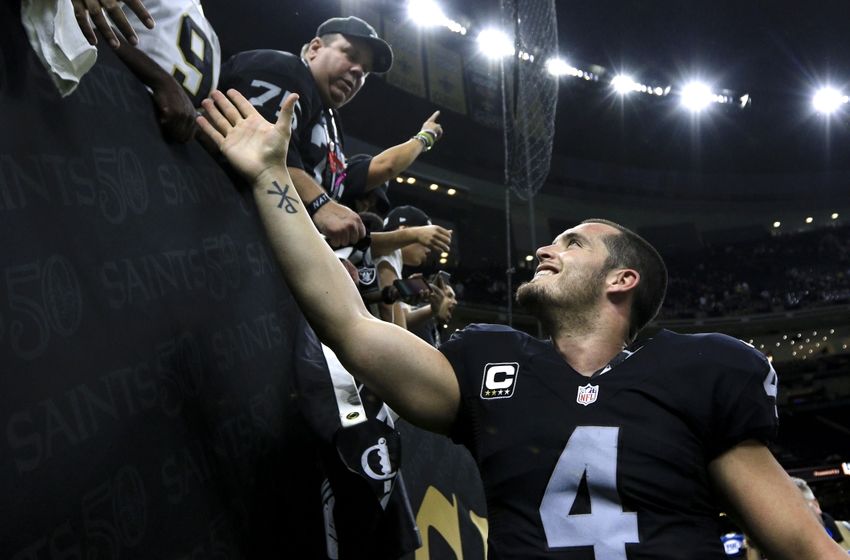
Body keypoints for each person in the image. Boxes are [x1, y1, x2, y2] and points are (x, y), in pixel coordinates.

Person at [196, 89, 849, 559]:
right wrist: (269, 180)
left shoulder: (699, 371)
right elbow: (349, 324)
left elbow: (802, 546)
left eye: (572, 243)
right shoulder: (488, 365)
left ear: (622, 280)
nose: (545, 249)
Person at [218, 16, 400, 248]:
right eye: (350, 55)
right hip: (223, 232)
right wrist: (320, 203)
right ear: (315, 48)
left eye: (365, 71)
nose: (357, 72)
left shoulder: (331, 120)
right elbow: (258, 151)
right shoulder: (284, 70)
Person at [111, 0, 220, 142]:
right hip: (112, 100)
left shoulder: (211, 36)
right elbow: (86, 19)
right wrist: (161, 80)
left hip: (150, 139)